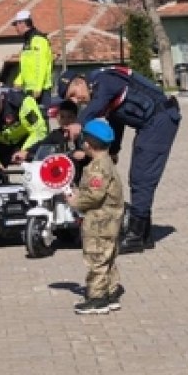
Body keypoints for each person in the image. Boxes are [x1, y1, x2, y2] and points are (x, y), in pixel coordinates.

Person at [57, 64, 181, 255]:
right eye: (70, 99)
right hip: (150, 124)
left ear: (81, 82)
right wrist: (114, 150)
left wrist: (79, 123)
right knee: (139, 176)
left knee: (142, 177)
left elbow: (97, 105)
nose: (76, 100)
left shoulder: (103, 81)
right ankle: (144, 235)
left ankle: (135, 236)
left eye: (74, 93)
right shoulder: (101, 91)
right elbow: (117, 118)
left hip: (160, 119)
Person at [67, 119, 124, 315]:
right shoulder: (107, 162)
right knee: (108, 257)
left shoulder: (97, 168)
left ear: (87, 144)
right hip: (111, 220)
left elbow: (94, 195)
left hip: (100, 222)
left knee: (97, 258)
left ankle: (97, 298)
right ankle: (111, 291)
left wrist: (75, 201)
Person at [0, 80, 47, 166]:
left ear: (1, 97)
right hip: (1, 144)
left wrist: (25, 150)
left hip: (26, 140)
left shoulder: (23, 103)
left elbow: (39, 130)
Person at [10, 10, 53, 108]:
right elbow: (25, 67)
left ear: (23, 23)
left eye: (16, 24)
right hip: (29, 89)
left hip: (41, 90)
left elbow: (41, 64)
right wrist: (18, 81)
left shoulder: (38, 40)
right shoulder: (27, 41)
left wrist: (38, 88)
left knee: (41, 120)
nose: (15, 28)